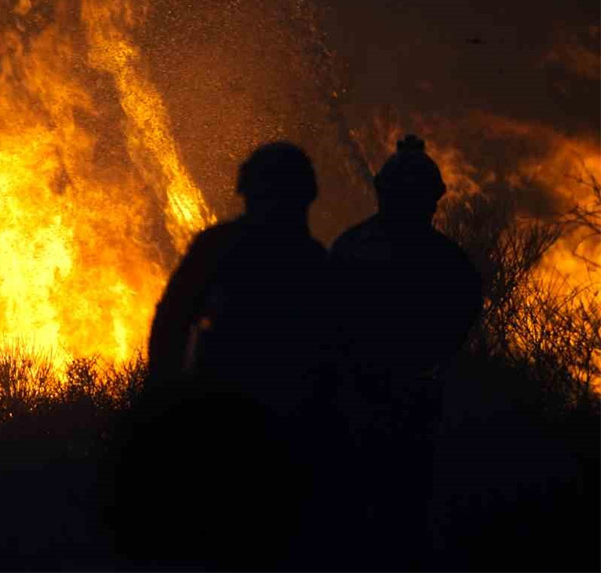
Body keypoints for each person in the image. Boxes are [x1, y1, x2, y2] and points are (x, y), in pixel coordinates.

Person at [116, 142, 333, 568]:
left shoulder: (235, 249)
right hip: (241, 422)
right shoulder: (304, 258)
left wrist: (160, 394)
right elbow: (173, 320)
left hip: (248, 424)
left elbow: (172, 321)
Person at [330, 134, 482, 568]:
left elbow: (325, 312)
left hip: (366, 397)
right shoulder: (447, 259)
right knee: (405, 509)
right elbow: (465, 313)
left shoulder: (352, 246)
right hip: (404, 396)